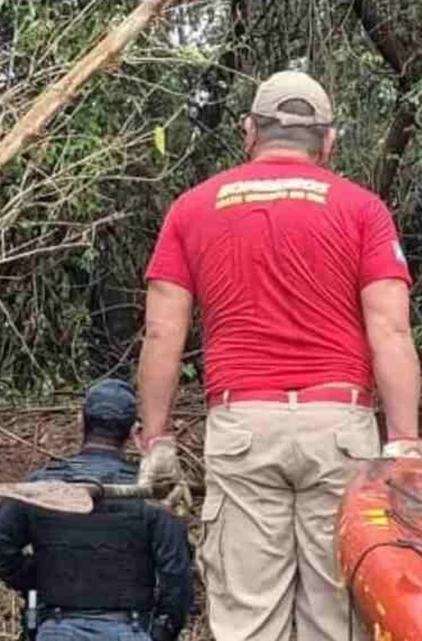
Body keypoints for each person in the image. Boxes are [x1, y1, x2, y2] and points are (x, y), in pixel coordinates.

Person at [137, 70, 422, 641]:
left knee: (248, 619)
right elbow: (390, 330)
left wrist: (157, 439)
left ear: (249, 132)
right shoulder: (362, 210)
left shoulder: (193, 209)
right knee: (335, 619)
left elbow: (162, 335)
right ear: (329, 140)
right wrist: (405, 444)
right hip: (338, 430)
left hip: (243, 429)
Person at [0, 379, 191, 641]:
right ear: (133, 431)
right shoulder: (152, 496)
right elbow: (176, 576)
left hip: (56, 628)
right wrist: (162, 631)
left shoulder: (41, 487)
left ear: (81, 421)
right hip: (130, 630)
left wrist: (38, 579)